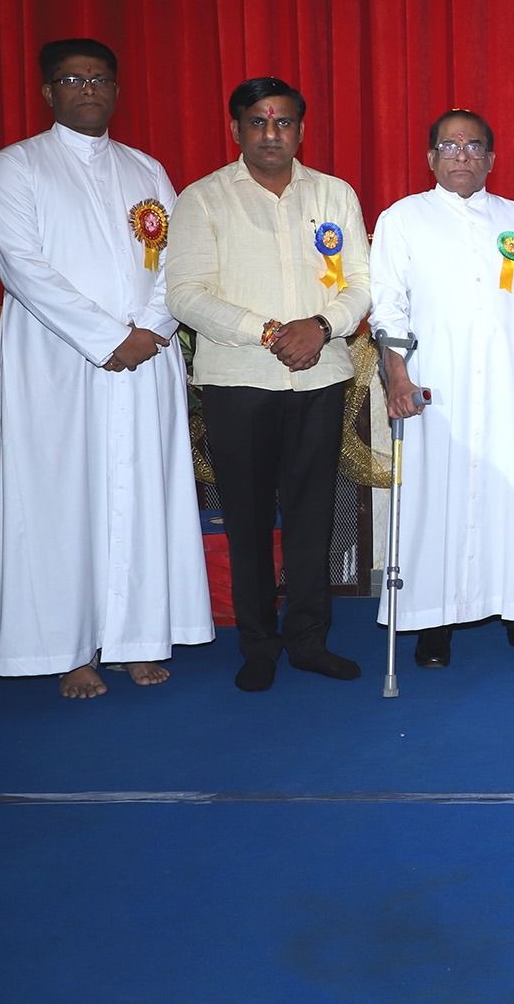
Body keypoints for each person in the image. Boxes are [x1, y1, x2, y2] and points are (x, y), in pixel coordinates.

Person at [0, 38, 212, 697]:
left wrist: (151, 330)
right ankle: (68, 649)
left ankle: (137, 638)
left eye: (100, 79)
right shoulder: (16, 167)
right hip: (60, 360)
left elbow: (178, 262)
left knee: (143, 493)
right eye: (73, 79)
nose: (88, 89)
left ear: (116, 90)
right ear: (48, 92)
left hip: (147, 358)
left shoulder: (146, 169)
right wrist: (108, 338)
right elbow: (22, 267)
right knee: (62, 498)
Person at [166, 76, 372, 691]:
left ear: (300, 130)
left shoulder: (334, 194)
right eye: (258, 122)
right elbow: (185, 295)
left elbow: (361, 284)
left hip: (320, 379)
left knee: (313, 516)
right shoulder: (203, 199)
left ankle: (309, 641)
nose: (271, 134)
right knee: (248, 519)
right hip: (239, 382)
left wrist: (322, 326)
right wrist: (269, 332)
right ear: (236, 130)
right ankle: (258, 645)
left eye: (283, 122)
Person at [369, 109, 514, 667]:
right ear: (431, 157)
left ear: (491, 159)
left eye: (474, 146)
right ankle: (434, 621)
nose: (462, 155)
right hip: (436, 387)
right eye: (450, 146)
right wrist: (398, 375)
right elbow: (388, 304)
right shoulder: (403, 218)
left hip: (512, 388)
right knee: (435, 498)